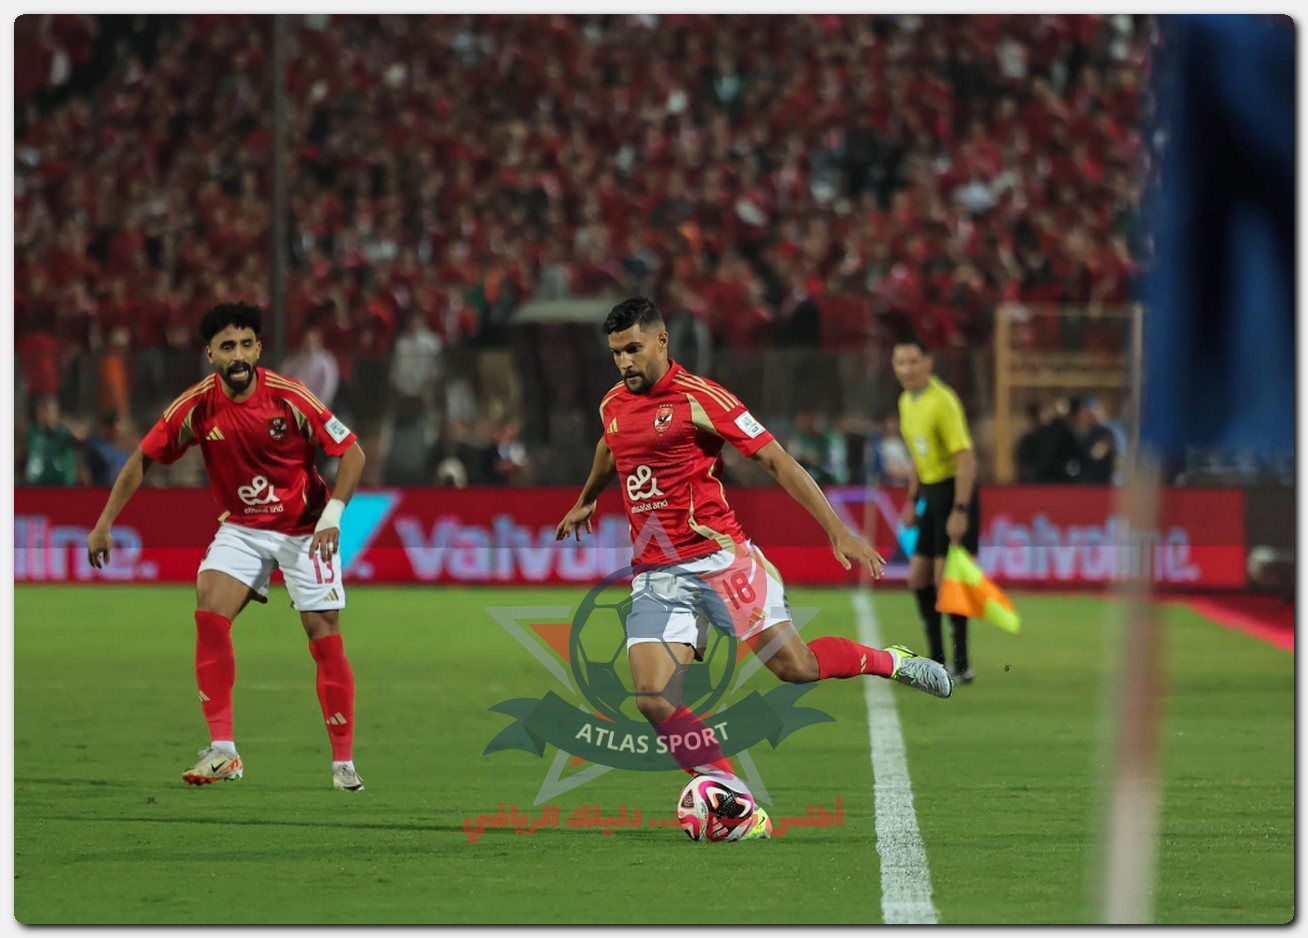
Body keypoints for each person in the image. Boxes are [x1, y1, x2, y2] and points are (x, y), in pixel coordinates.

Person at [555, 297, 951, 840]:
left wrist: (836, 529)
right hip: (657, 574)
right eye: (616, 353)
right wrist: (587, 498)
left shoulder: (703, 398)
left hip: (721, 561)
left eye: (633, 349)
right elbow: (609, 448)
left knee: (796, 668)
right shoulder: (613, 404)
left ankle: (889, 661)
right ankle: (735, 800)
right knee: (653, 698)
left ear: (662, 341)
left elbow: (777, 461)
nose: (624, 362)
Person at [85, 303, 369, 792]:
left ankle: (343, 762)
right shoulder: (195, 406)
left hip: (304, 527)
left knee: (322, 634)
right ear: (210, 354)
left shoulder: (291, 397)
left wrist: (332, 518)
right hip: (241, 528)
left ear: (257, 348)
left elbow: (354, 454)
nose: (237, 355)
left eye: (244, 345)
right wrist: (104, 521)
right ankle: (224, 751)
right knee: (208, 611)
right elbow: (142, 460)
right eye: (226, 347)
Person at [893, 337, 980, 684]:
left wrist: (960, 508)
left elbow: (966, 457)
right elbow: (917, 456)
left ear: (928, 363)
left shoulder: (942, 401)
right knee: (917, 578)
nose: (907, 369)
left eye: (914, 361)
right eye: (900, 362)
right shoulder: (906, 402)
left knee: (948, 583)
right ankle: (937, 662)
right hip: (931, 493)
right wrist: (914, 500)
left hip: (954, 492)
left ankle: (961, 664)